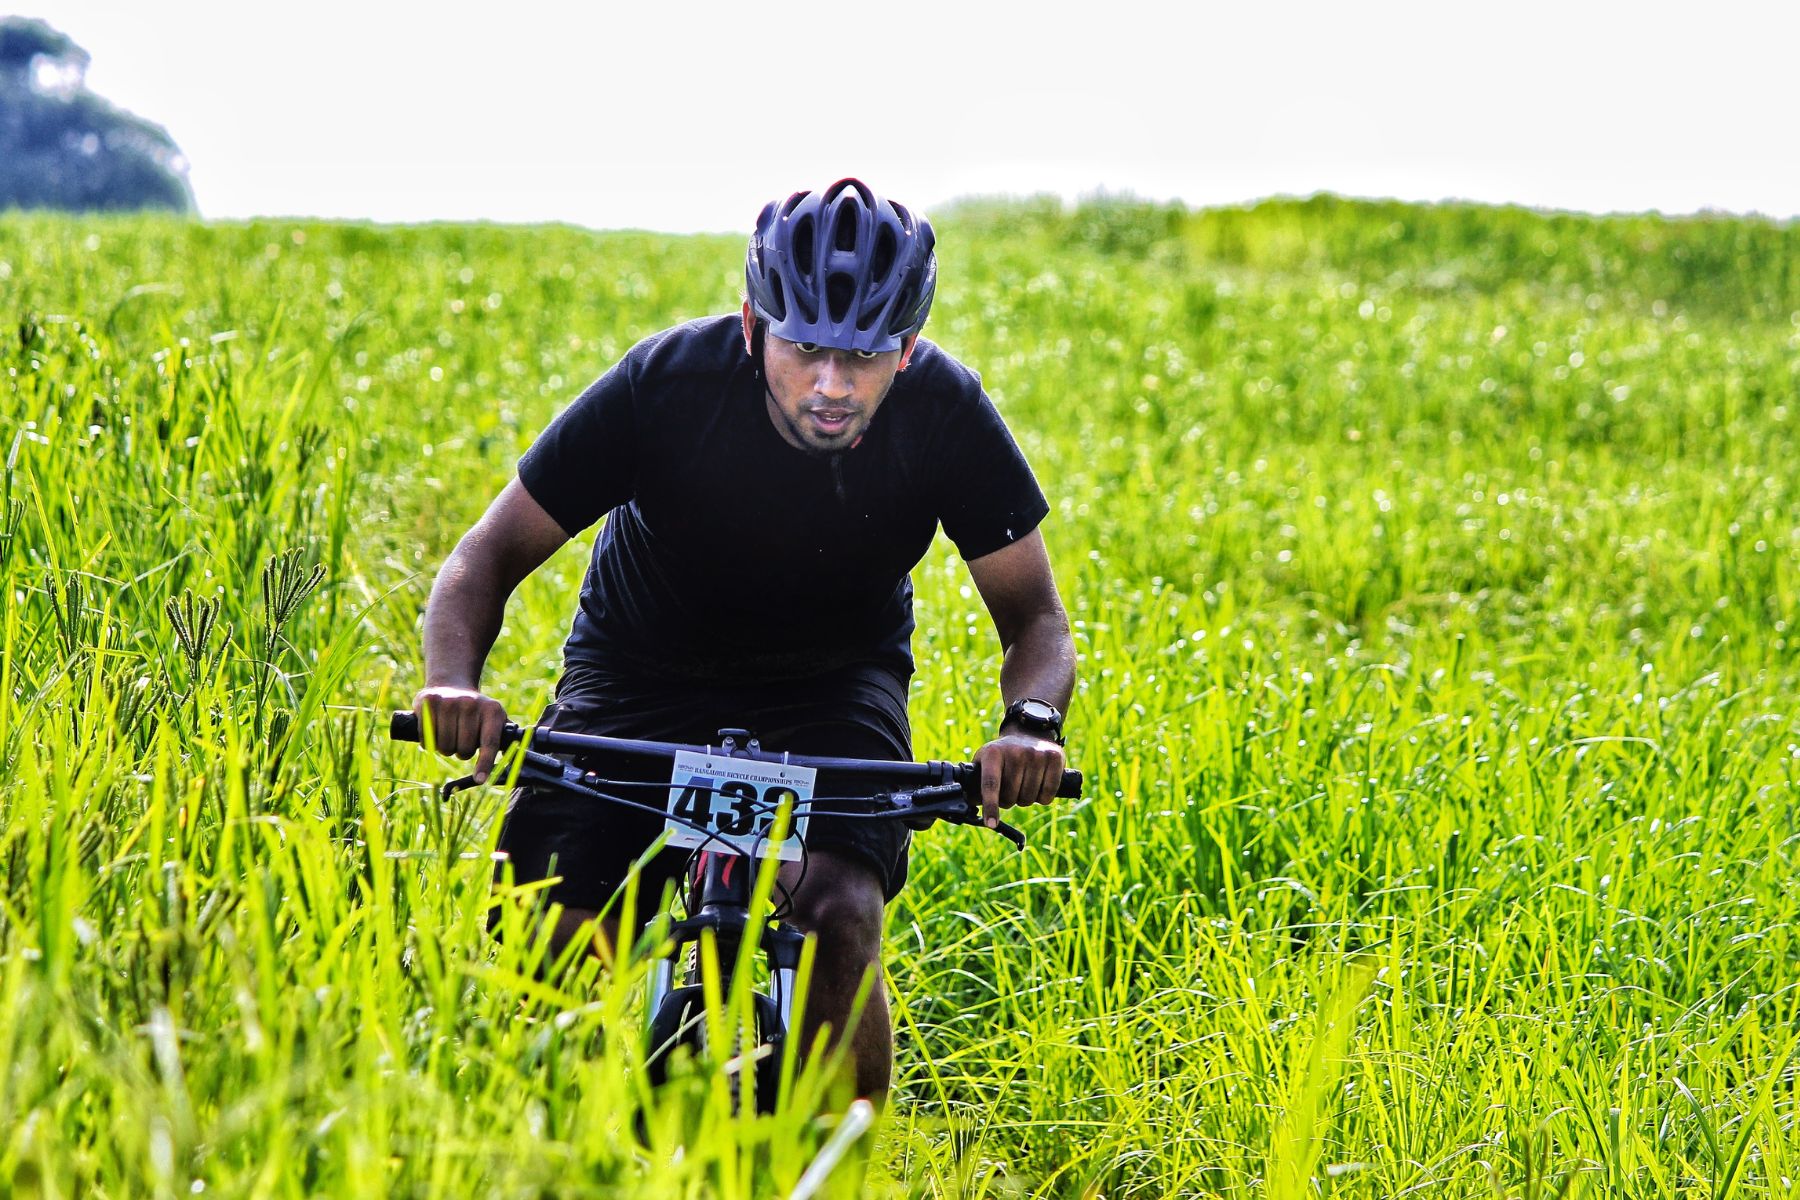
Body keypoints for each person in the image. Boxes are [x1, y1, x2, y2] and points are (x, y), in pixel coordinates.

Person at [412, 178, 1075, 1100]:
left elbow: (1035, 617)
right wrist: (453, 681)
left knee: (842, 911)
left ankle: (831, 1160)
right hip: (639, 670)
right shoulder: (666, 384)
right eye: (806, 348)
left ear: (909, 350)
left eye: (867, 356)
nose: (833, 385)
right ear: (754, 324)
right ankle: (531, 1135)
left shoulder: (948, 415)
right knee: (552, 927)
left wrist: (1032, 723)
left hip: (834, 685)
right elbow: (486, 556)